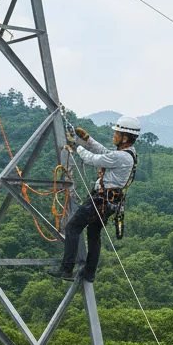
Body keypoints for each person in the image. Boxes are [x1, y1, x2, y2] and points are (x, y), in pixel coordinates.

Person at [46, 115, 140, 283]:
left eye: (117, 133)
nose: (114, 135)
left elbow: (93, 159)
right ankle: (89, 273)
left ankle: (66, 269)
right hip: (111, 202)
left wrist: (75, 146)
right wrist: (88, 140)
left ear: (125, 137)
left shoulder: (121, 157)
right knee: (94, 233)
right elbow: (105, 153)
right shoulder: (128, 154)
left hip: (100, 200)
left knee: (73, 228)